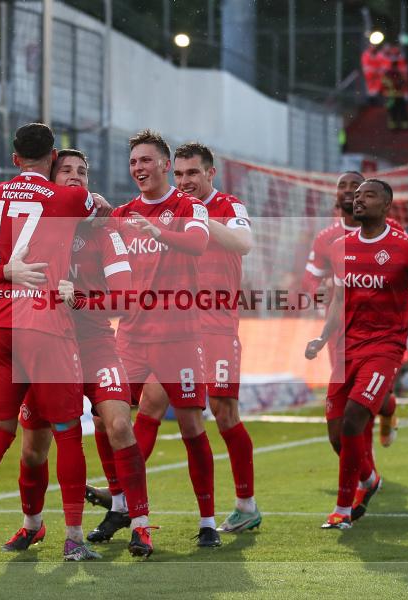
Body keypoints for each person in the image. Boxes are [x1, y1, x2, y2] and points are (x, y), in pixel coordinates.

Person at [0, 149, 156, 558]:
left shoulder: (104, 230)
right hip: (47, 343)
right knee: (33, 449)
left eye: (82, 172)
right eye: (65, 170)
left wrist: (82, 298)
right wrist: (6, 271)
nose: (74, 177)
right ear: (50, 179)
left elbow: (126, 300)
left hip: (95, 345)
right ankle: (33, 525)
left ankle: (139, 523)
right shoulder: (33, 231)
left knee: (119, 424)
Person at [0, 123, 106, 562]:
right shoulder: (67, 199)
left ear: (13, 158)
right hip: (44, 323)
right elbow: (94, 207)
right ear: (54, 158)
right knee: (66, 435)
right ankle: (75, 537)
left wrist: (4, 271)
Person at [109, 142, 259, 534]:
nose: (185, 181)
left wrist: (193, 217)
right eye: (178, 175)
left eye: (192, 173)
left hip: (218, 324)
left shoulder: (228, 206)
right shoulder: (166, 210)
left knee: (225, 413)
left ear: (210, 174)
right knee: (150, 408)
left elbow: (244, 244)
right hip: (178, 325)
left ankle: (246, 503)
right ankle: (125, 500)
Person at [305, 179, 408, 529]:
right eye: (357, 196)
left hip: (384, 349)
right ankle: (370, 480)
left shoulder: (407, 248)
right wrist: (321, 338)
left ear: (388, 206)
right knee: (336, 436)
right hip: (346, 347)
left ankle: (343, 509)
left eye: (368, 196)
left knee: (352, 420)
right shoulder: (339, 247)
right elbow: (338, 301)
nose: (359, 200)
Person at [108, 129, 220, 547]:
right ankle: (131, 515)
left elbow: (197, 244)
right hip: (132, 337)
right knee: (113, 419)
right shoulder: (120, 214)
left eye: (146, 161)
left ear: (165, 165)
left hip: (179, 337)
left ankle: (208, 521)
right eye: (133, 161)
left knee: (192, 427)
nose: (139, 168)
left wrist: (157, 234)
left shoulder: (188, 206)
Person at [303, 171, 403, 471]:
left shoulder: (392, 230)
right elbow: (310, 278)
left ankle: (389, 409)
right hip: (341, 333)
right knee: (352, 406)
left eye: (355, 187)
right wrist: (317, 291)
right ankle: (366, 474)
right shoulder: (325, 238)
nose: (349, 191)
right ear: (336, 197)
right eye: (342, 186)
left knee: (374, 399)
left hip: (382, 332)